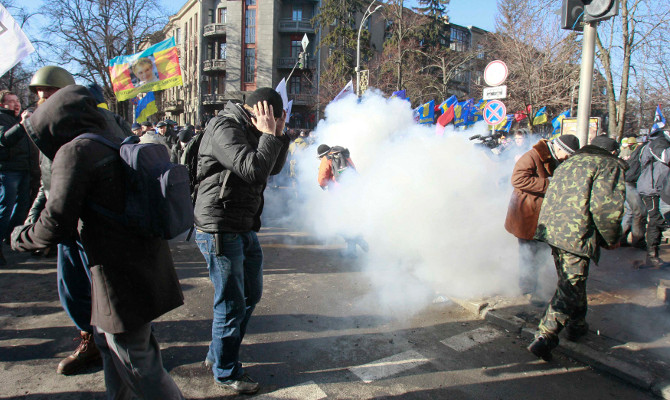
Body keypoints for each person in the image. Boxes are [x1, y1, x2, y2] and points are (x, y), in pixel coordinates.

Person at [11, 85, 184, 399]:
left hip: (116, 272)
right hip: (143, 260)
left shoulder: (74, 151)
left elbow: (56, 224)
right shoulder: (113, 138)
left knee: (137, 362)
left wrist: (20, 237)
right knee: (111, 346)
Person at [193, 88, 289, 394]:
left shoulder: (253, 129)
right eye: (272, 120)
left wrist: (279, 136)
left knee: (251, 294)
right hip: (219, 225)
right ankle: (226, 371)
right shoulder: (225, 127)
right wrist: (268, 134)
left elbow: (271, 167)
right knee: (232, 302)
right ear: (258, 114)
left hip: (242, 223)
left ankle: (217, 354)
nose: (273, 125)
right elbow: (253, 169)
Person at [529, 136, 625, 361]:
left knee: (572, 280)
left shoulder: (570, 162)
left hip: (553, 230)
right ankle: (545, 336)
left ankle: (577, 325)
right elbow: (606, 209)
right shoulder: (608, 165)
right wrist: (612, 238)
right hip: (576, 234)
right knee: (571, 286)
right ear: (612, 152)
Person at [504, 134, 579, 303]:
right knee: (528, 252)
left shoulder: (553, 157)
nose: (566, 158)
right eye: (566, 154)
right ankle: (529, 288)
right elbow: (517, 179)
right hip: (527, 213)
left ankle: (535, 285)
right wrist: (549, 183)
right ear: (559, 148)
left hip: (541, 214)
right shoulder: (532, 156)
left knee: (540, 251)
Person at [0, 90, 36, 266]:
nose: (16, 104)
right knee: (5, 207)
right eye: (11, 101)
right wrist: (22, 125)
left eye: (17, 101)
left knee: (22, 206)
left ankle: (10, 238)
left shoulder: (16, 119)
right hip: (8, 171)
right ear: (2, 104)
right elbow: (4, 139)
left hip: (24, 169)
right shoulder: (2, 119)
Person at [636, 127, 670, 268]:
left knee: (659, 219)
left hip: (661, 187)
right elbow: (665, 157)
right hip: (652, 189)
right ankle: (651, 257)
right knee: (656, 219)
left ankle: (653, 255)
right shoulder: (659, 142)